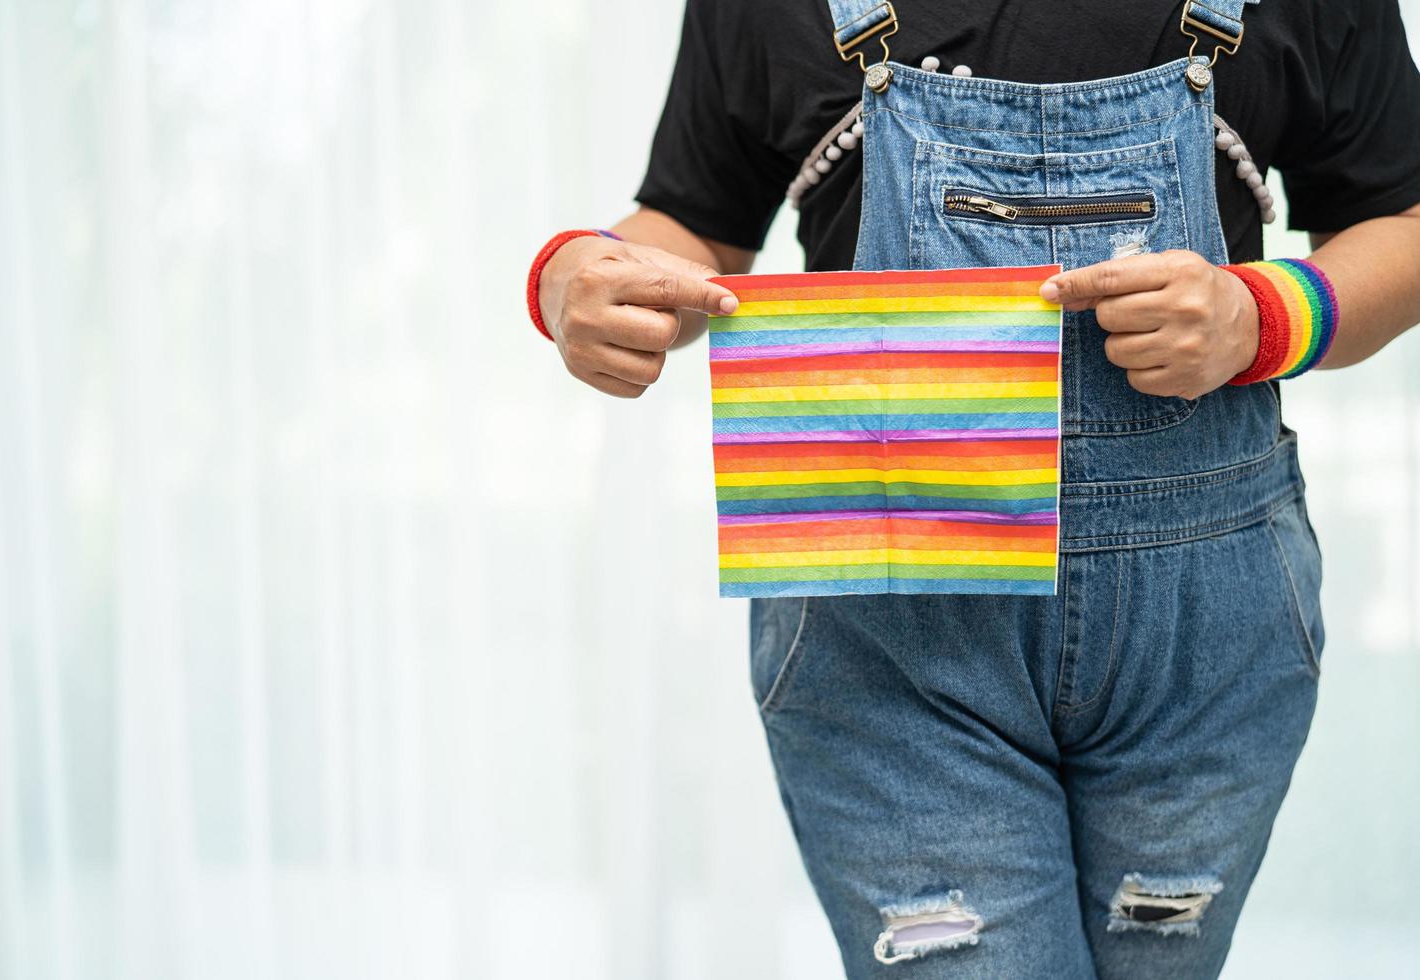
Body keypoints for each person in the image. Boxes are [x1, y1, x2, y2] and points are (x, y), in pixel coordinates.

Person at [527, 1, 1420, 976]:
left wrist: (1264, 316)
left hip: (1198, 646)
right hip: (888, 641)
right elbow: (697, 220)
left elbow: (1400, 222)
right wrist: (578, 274)